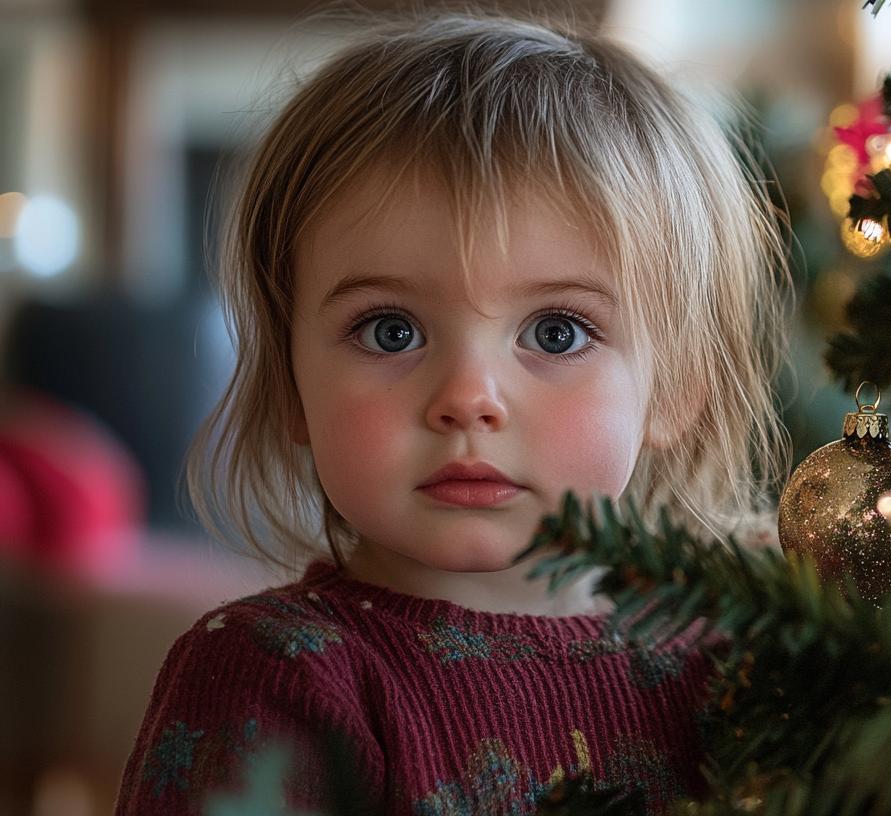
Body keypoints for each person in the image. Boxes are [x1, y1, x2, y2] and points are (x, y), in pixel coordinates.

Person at [115, 11, 791, 814]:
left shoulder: (752, 655)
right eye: (390, 331)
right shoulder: (276, 674)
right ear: (291, 384)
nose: (467, 397)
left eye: (556, 331)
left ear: (677, 386)